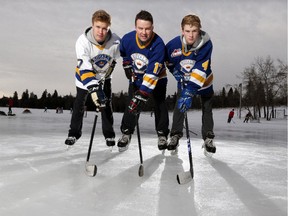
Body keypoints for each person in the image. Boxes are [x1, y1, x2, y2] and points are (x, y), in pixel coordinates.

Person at [65, 10, 120, 147]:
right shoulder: (82, 41)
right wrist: (94, 88)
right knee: (79, 104)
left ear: (108, 28)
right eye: (98, 27)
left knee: (106, 104)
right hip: (84, 77)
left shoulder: (115, 41)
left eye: (104, 28)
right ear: (92, 25)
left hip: (104, 77)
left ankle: (109, 135)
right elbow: (85, 66)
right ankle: (74, 133)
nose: (101, 32)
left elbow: (126, 53)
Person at [117, 10, 169, 152]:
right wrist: (127, 63)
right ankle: (127, 132)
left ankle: (162, 133)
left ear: (152, 28)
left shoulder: (158, 44)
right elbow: (123, 52)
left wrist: (143, 94)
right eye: (140, 28)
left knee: (159, 104)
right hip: (137, 77)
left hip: (157, 78)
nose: (144, 32)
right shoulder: (127, 39)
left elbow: (153, 72)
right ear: (135, 27)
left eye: (147, 28)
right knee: (131, 103)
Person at [165, 14, 216, 153]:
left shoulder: (206, 44)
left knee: (207, 107)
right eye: (187, 31)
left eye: (194, 31)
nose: (191, 35)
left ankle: (208, 137)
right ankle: (175, 134)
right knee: (179, 106)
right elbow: (166, 60)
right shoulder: (173, 45)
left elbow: (200, 70)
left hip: (204, 81)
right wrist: (175, 72)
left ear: (199, 30)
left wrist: (188, 93)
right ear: (182, 31)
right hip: (184, 81)